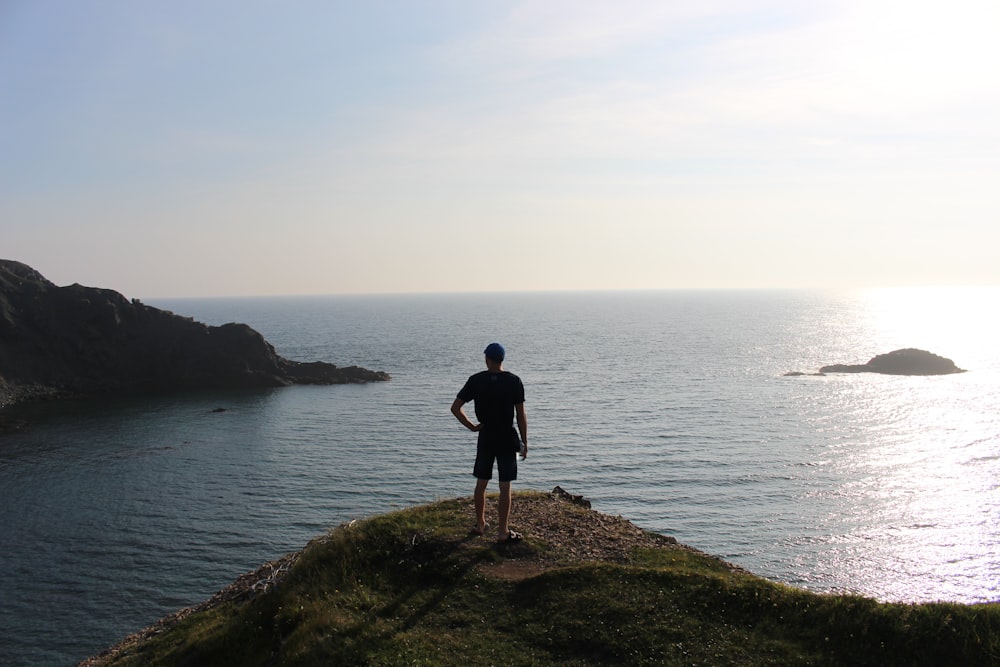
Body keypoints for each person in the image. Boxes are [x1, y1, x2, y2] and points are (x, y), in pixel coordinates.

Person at [451, 342, 528, 543]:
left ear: (487, 358)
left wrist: (472, 426)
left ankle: (480, 524)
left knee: (481, 483)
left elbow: (455, 407)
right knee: (505, 486)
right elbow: (520, 416)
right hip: (506, 437)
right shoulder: (514, 381)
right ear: (502, 359)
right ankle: (503, 531)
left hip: (486, 436)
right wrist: (525, 441)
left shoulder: (476, 380)